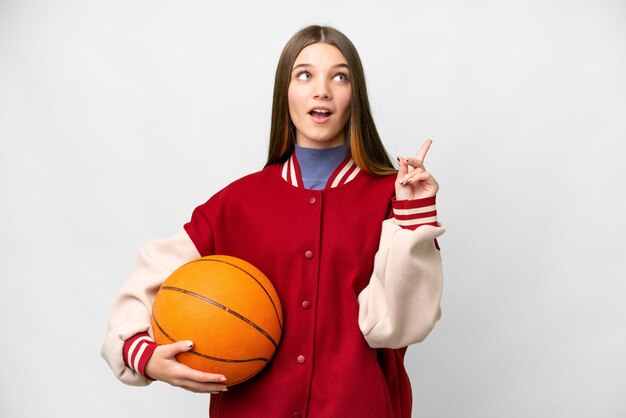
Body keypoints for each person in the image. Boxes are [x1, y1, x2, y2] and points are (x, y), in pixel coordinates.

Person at [101, 25, 445, 418]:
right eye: (304, 74)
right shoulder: (239, 202)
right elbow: (150, 274)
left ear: (355, 96)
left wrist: (414, 222)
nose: (322, 90)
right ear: (286, 92)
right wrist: (142, 354)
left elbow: (397, 327)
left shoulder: (392, 196)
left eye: (340, 76)